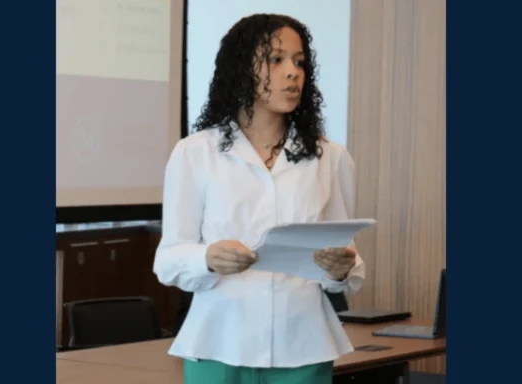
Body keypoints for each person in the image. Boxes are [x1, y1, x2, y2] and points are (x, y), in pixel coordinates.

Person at [154, 13, 365, 384]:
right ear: (241, 68)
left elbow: (344, 257)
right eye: (276, 60)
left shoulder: (329, 157)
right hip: (218, 342)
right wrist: (207, 257)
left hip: (302, 343)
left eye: (299, 62)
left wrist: (341, 268)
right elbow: (168, 259)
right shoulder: (195, 153)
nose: (293, 72)